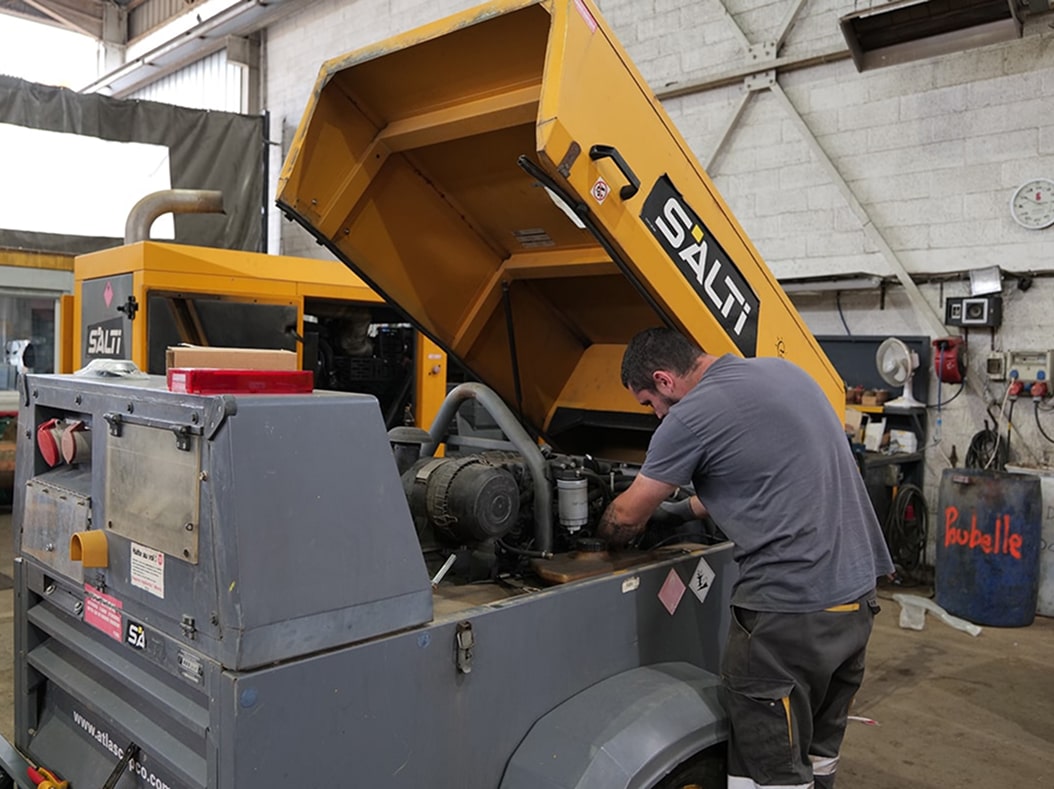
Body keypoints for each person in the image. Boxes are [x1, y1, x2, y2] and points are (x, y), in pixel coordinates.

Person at [597, 327, 894, 789]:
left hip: (788, 617)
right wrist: (680, 514)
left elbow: (628, 515)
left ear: (664, 379)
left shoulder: (689, 416)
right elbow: (762, 478)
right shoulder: (782, 373)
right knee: (816, 754)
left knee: (767, 770)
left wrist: (602, 532)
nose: (656, 415)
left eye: (648, 402)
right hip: (854, 604)